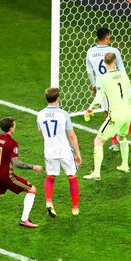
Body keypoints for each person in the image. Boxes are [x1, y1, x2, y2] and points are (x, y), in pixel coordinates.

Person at [84, 27, 131, 153]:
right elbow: (122, 68)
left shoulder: (90, 51)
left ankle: (115, 144)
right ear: (107, 37)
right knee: (127, 112)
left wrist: (95, 86)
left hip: (102, 86)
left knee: (108, 115)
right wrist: (125, 83)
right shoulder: (114, 51)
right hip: (116, 85)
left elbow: (89, 72)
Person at [83, 53, 131, 181]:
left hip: (115, 115)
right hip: (127, 112)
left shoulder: (102, 79)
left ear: (104, 63)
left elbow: (98, 99)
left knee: (98, 141)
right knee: (122, 136)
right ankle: (125, 165)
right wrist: (128, 108)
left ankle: (96, 173)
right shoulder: (124, 75)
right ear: (115, 61)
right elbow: (130, 95)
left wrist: (89, 109)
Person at [37, 87, 82, 218]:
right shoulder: (63, 114)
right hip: (64, 151)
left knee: (50, 177)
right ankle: (75, 208)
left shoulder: (40, 115)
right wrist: (78, 153)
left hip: (49, 151)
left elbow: (43, 135)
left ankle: (49, 201)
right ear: (57, 99)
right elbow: (72, 135)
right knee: (72, 177)